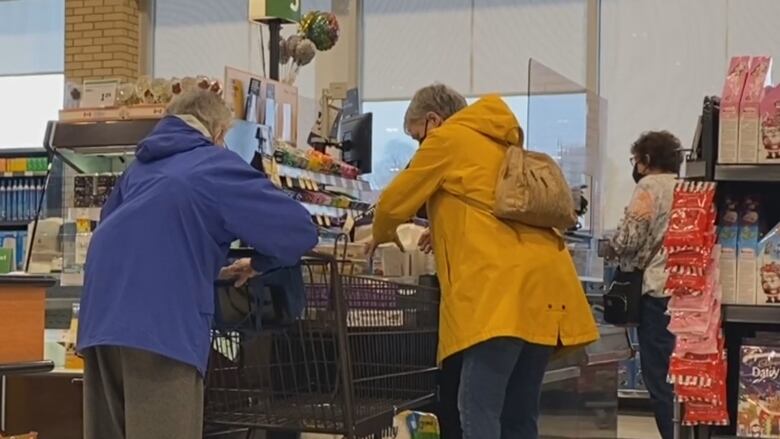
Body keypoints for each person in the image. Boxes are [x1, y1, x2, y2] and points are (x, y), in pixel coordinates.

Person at [77, 90, 318, 439]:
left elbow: (127, 233)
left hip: (99, 320)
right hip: (158, 325)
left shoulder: (139, 168)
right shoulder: (212, 164)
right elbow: (298, 230)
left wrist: (201, 262)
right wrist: (261, 263)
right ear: (218, 133)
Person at [369, 83, 599, 439]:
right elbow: (484, 210)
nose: (420, 147)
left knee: (477, 409)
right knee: (519, 414)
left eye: (418, 138)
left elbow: (391, 204)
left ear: (434, 120)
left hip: (498, 297)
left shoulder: (448, 140)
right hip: (547, 292)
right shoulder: (499, 144)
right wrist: (441, 227)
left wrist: (382, 234)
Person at [607, 130, 682, 439]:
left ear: (646, 160)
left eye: (635, 160)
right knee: (678, 375)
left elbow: (629, 238)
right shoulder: (685, 186)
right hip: (683, 290)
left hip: (655, 291)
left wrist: (611, 243)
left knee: (658, 375)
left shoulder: (648, 187)